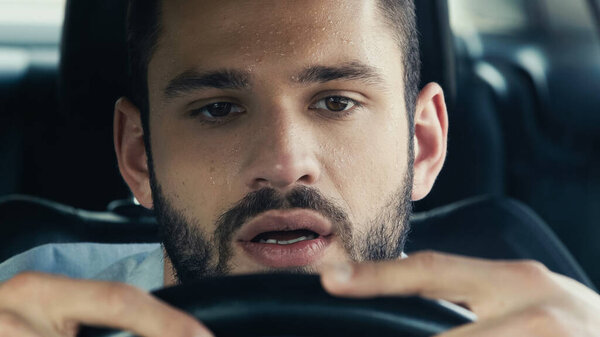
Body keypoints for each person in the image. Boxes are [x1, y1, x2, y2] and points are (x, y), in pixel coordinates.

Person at [0, 0, 599, 336]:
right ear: (137, 154)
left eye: (336, 102)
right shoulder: (20, 303)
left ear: (422, 143)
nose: (284, 166)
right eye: (218, 109)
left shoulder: (530, 324)